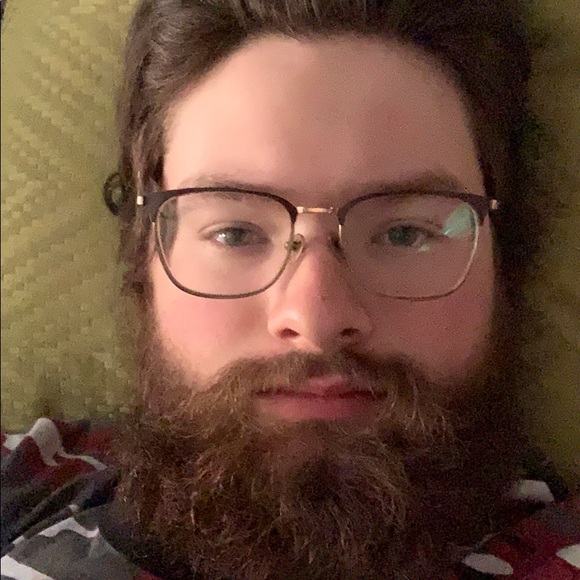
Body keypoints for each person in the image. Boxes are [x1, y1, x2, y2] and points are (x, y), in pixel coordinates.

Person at [1, 0, 579, 578]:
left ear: (505, 259)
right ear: (143, 257)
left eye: (405, 233)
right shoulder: (28, 478)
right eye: (235, 232)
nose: (316, 318)